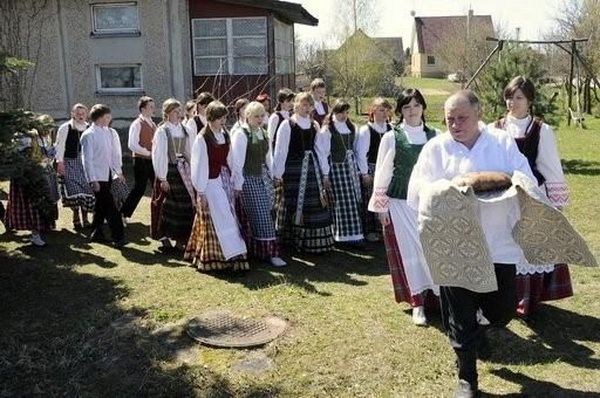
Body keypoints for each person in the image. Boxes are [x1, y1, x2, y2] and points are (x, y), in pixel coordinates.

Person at [407, 90, 534, 397]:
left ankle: (481, 328)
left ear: (479, 114)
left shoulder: (502, 143)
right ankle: (467, 377)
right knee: (459, 315)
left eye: (462, 118)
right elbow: (417, 191)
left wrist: (501, 179)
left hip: (497, 243)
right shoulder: (435, 149)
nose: (455, 124)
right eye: (450, 119)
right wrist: (449, 188)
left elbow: (526, 177)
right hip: (454, 246)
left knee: (502, 311)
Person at [492, 76, 573, 317]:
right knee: (505, 245)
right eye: (509, 97)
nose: (512, 102)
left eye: (518, 98)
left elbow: (549, 166)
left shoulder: (541, 130)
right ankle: (504, 297)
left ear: (529, 101)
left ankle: (527, 299)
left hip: (532, 195)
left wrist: (556, 203)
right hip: (503, 196)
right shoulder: (494, 128)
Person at [368, 89, 439, 326]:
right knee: (411, 253)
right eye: (406, 107)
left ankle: (439, 299)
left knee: (432, 252)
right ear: (400, 111)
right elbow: (382, 172)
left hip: (427, 204)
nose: (412, 111)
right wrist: (382, 207)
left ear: (423, 108)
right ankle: (417, 302)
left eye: (416, 105)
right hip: (400, 204)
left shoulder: (436, 136)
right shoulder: (392, 137)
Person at [185, 100, 249, 271]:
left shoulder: (225, 135)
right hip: (209, 182)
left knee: (229, 216)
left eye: (224, 118)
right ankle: (216, 258)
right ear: (211, 118)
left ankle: (233, 256)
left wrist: (236, 183)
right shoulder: (202, 138)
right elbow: (198, 167)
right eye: (219, 118)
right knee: (219, 217)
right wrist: (201, 191)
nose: (223, 122)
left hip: (224, 180)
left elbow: (232, 160)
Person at [272, 92, 334, 253]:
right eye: (304, 105)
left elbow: (320, 150)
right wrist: (278, 174)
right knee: (293, 204)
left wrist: (325, 172)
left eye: (309, 105)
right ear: (296, 105)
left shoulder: (314, 125)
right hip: (293, 170)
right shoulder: (287, 125)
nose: (307, 108)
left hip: (312, 169)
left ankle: (312, 244)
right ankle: (293, 241)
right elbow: (280, 151)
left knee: (314, 203)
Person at [231, 101, 286, 266]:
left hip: (263, 176)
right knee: (261, 214)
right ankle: (271, 253)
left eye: (262, 115)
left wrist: (274, 174)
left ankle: (258, 250)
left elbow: (268, 157)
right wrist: (238, 185)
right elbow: (237, 162)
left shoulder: (263, 132)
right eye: (256, 116)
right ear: (248, 116)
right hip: (248, 178)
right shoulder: (241, 134)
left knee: (268, 211)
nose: (260, 119)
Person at [5, 115, 59, 247]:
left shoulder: (46, 137)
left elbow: (48, 154)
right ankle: (35, 235)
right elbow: (20, 157)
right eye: (45, 128)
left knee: (46, 202)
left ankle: (43, 227)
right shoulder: (27, 137)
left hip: (44, 172)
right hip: (28, 176)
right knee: (32, 205)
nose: (47, 131)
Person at [316, 99, 364, 246]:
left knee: (353, 201)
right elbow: (322, 152)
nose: (344, 115)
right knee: (341, 202)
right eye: (341, 112)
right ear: (335, 112)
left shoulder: (352, 127)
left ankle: (356, 235)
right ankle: (341, 236)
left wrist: (360, 169)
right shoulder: (327, 130)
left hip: (351, 168)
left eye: (346, 112)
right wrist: (325, 174)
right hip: (337, 169)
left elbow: (356, 149)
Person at [151, 98, 195, 253]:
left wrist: (193, 169)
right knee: (166, 205)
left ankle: (181, 239)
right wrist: (162, 178)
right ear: (167, 113)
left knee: (185, 204)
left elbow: (189, 152)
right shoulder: (162, 131)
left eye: (179, 111)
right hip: (168, 170)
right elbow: (159, 155)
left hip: (183, 170)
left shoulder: (184, 130)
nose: (179, 114)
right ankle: (164, 238)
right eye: (175, 111)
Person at [80, 104, 126, 248]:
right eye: (107, 116)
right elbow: (87, 160)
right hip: (97, 176)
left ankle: (96, 232)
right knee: (110, 206)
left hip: (108, 174)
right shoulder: (89, 135)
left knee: (101, 206)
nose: (109, 119)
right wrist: (93, 180)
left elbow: (115, 154)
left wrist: (118, 171)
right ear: (99, 118)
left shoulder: (110, 133)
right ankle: (118, 236)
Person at [356, 97, 393, 242]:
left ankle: (384, 229)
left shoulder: (391, 129)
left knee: (387, 200)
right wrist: (364, 173)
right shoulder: (367, 130)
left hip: (388, 169)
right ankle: (370, 230)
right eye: (381, 110)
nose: (384, 113)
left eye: (386, 110)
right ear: (373, 111)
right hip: (372, 169)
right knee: (371, 200)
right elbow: (361, 153)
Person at [55, 103, 95, 230]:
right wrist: (60, 163)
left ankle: (85, 218)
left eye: (83, 113)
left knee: (87, 189)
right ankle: (76, 217)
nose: (80, 116)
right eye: (78, 113)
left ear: (86, 114)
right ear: (72, 114)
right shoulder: (65, 127)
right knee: (74, 191)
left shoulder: (89, 128)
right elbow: (60, 147)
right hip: (70, 161)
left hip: (85, 163)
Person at [120, 96, 157, 223]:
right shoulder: (137, 124)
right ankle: (124, 213)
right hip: (141, 160)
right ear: (143, 109)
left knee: (157, 187)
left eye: (153, 106)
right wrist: (147, 152)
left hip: (152, 160)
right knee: (140, 188)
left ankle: (159, 214)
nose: (153, 109)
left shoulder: (152, 123)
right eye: (150, 107)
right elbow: (132, 144)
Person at [267, 88, 295, 154]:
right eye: (288, 101)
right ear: (281, 101)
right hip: (278, 152)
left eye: (292, 101)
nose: (291, 103)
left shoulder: (292, 116)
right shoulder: (275, 117)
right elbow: (270, 139)